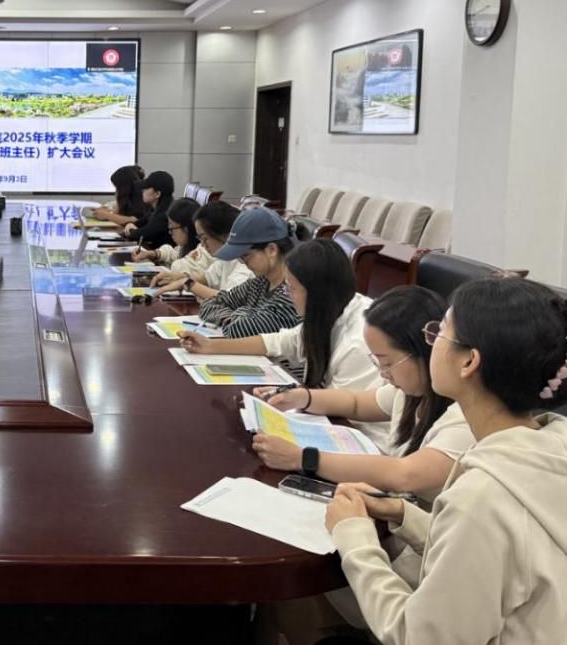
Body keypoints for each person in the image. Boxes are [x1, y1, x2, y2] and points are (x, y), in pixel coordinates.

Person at [325, 277, 567, 645]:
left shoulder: (484, 496)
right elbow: (498, 551)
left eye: (440, 331)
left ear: (469, 361)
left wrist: (354, 536)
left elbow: (420, 637)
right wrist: (404, 514)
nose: (431, 340)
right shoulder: (548, 445)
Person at [253, 286, 473, 498]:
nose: (383, 373)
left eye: (387, 362)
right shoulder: (411, 393)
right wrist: (302, 397)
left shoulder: (465, 419)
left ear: (423, 350)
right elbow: (355, 402)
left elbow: (404, 475)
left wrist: (302, 458)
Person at [182, 238, 385, 444]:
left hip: (366, 440)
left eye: (292, 289)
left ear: (316, 291)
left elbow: (341, 412)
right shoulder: (330, 309)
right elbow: (279, 341)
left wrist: (297, 399)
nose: (288, 295)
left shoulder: (358, 342)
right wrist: (211, 346)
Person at [178, 206, 299, 338]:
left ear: (271, 250)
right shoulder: (259, 284)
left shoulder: (292, 293)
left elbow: (240, 329)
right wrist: (236, 317)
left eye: (246, 255)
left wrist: (242, 313)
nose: (242, 262)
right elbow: (208, 304)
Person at [149, 200, 253, 299]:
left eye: (205, 238)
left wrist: (188, 283)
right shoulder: (227, 258)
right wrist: (179, 277)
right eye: (200, 239)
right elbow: (207, 278)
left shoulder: (247, 265)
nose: (203, 244)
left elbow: (230, 299)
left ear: (225, 236)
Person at [120, 170, 174, 248]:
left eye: (146, 188)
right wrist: (131, 225)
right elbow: (139, 223)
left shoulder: (165, 214)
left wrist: (130, 230)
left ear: (157, 194)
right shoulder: (158, 209)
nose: (142, 190)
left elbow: (141, 235)